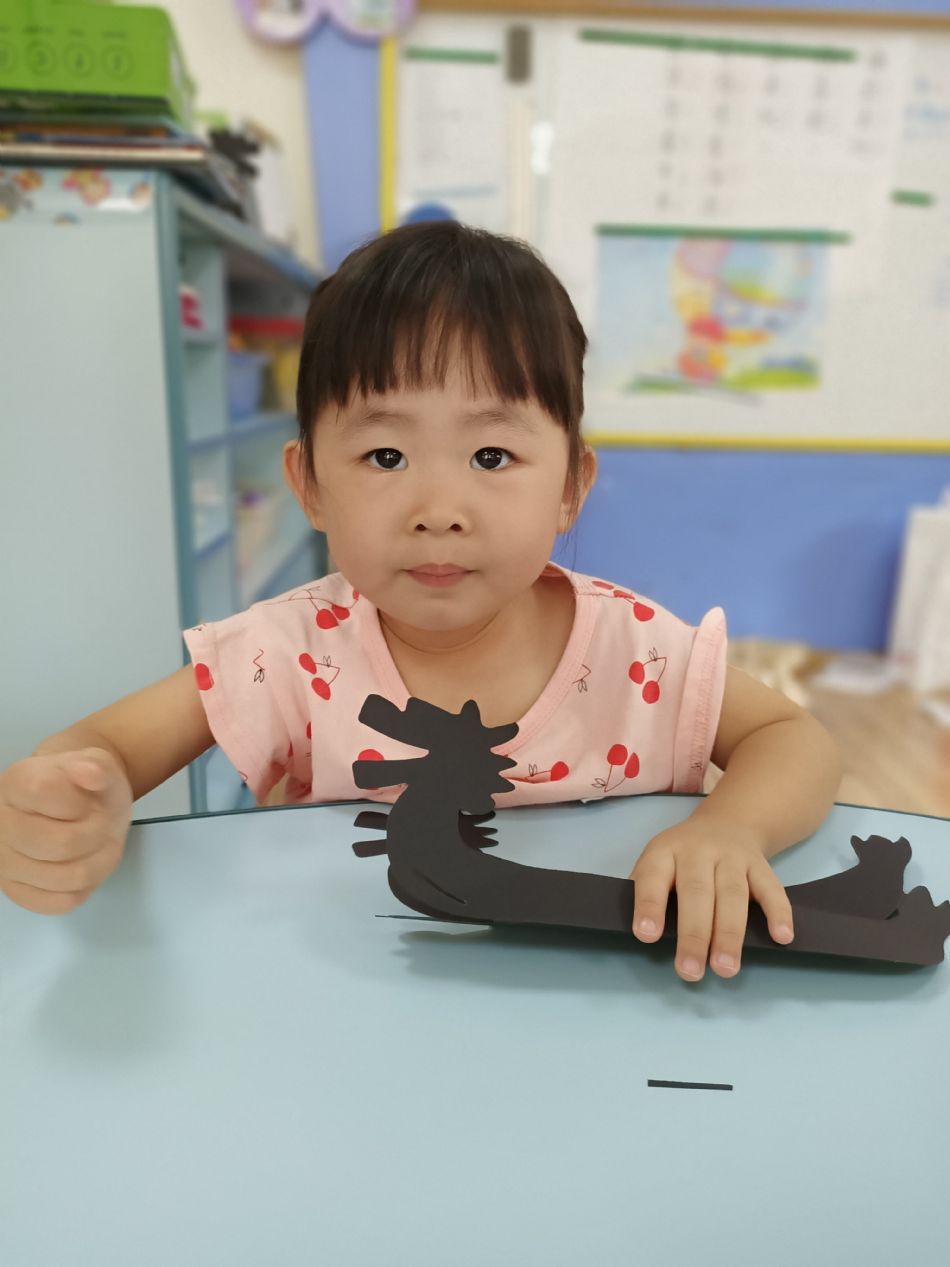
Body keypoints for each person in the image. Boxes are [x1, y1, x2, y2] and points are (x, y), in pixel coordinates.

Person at [0, 220, 841, 981]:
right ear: (310, 484)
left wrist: (731, 828)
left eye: (491, 456)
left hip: (617, 1001)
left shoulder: (640, 652)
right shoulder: (289, 652)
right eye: (386, 457)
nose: (439, 510)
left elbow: (794, 739)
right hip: (356, 996)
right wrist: (73, 798)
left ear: (570, 488)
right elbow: (99, 748)